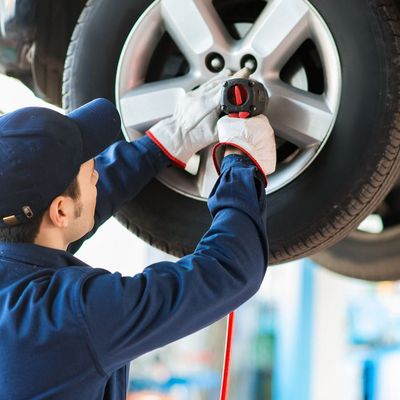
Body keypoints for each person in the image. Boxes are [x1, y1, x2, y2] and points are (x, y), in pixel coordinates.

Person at [0, 71, 276, 399]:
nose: (97, 175)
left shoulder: (20, 253)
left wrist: (164, 142)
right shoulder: (70, 319)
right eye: (90, 172)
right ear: (59, 212)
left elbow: (72, 211)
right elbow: (230, 271)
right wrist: (241, 165)